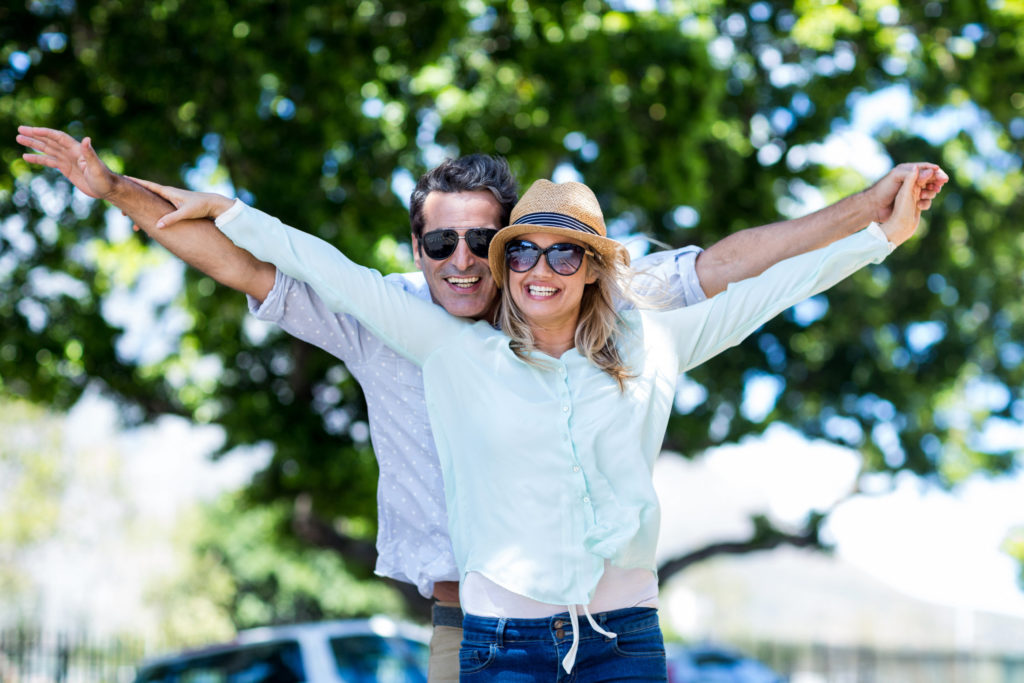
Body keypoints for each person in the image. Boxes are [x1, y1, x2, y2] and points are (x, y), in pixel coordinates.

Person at [17, 126, 946, 682]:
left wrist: (869, 212)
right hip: (474, 629)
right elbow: (254, 257)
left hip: (609, 621)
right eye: (440, 242)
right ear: (418, 247)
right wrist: (115, 192)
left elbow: (738, 267)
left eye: (483, 240)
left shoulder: (608, 306)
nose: (463, 260)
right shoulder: (390, 317)